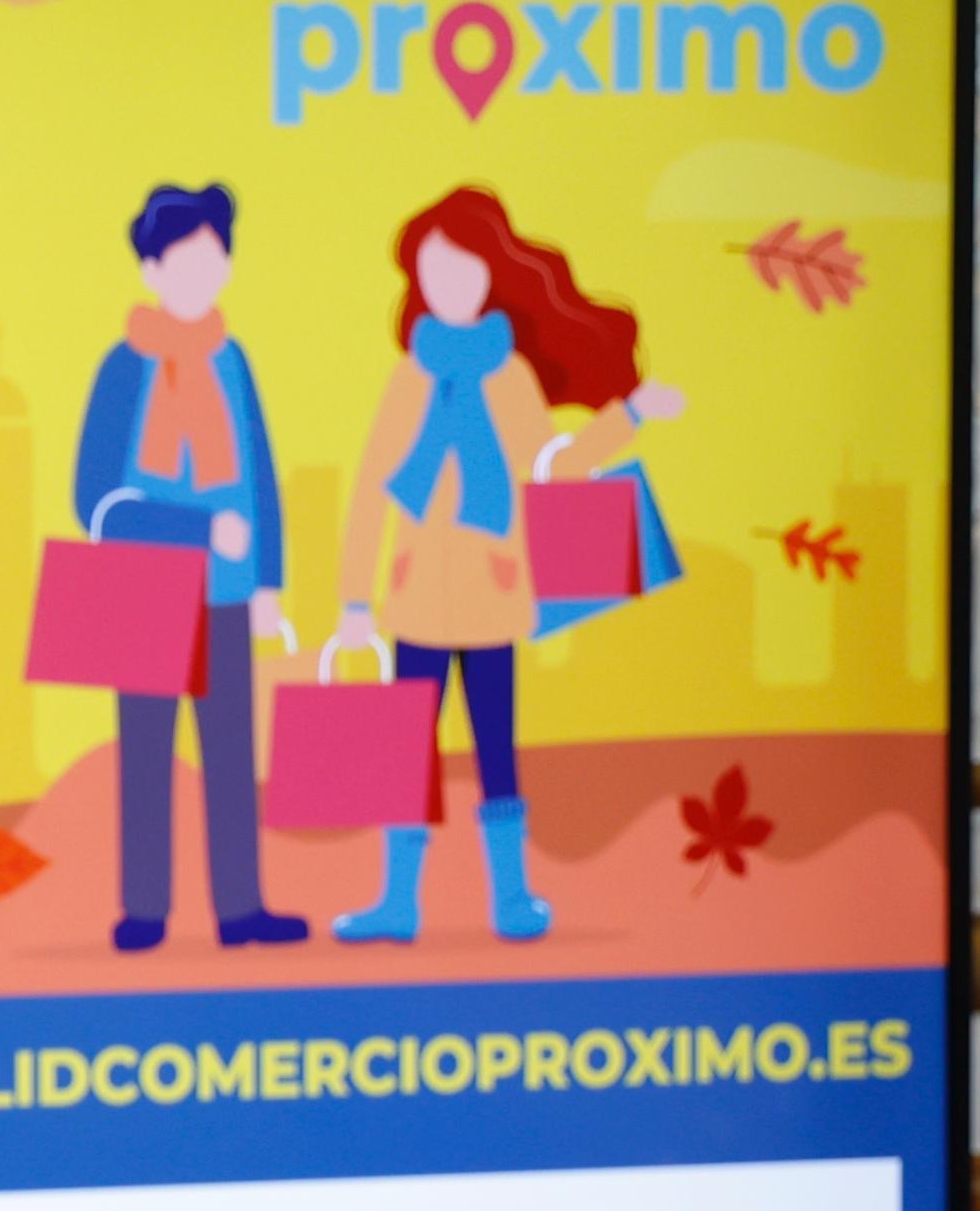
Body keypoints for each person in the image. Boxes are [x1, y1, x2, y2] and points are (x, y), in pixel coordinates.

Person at [330, 185, 685, 944]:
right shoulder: (411, 376)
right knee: (404, 754)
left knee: (497, 750)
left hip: (492, 596)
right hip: (416, 600)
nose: (446, 284)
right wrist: (354, 600)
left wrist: (627, 418)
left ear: (492, 274)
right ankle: (398, 901)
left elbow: (550, 467)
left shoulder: (511, 377)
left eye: (461, 268)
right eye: (432, 272)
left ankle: (512, 898)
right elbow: (372, 484)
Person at [71, 181, 304, 952]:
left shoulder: (232, 363)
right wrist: (200, 530)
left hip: (228, 594)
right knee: (146, 754)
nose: (201, 276)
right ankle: (145, 910)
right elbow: (94, 499)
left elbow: (259, 474)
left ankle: (241, 910)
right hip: (142, 592)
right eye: (183, 262)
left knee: (231, 754)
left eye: (213, 260)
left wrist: (267, 581)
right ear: (150, 270)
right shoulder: (123, 369)